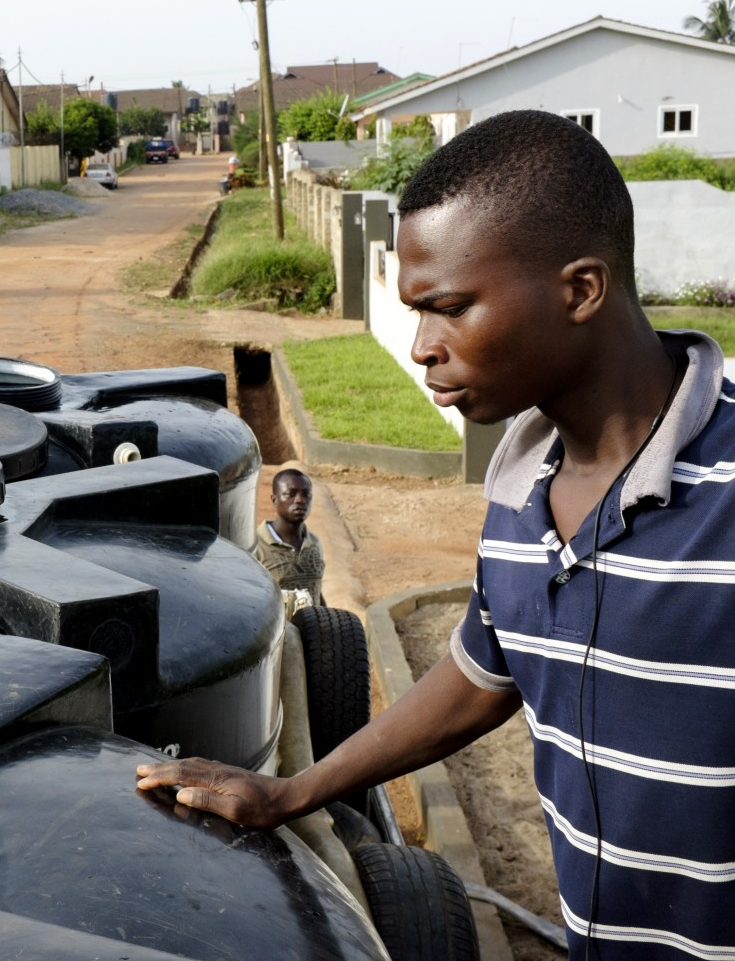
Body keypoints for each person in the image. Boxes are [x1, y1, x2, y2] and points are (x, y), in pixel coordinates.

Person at [137, 109, 734, 959]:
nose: (422, 346)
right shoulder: (524, 487)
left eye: (449, 308)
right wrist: (289, 791)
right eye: (417, 311)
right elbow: (482, 673)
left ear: (580, 290)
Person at [253, 468, 324, 613]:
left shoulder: (314, 543)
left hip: (312, 632)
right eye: (290, 494)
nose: (299, 500)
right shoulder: (255, 546)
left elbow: (317, 591)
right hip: (276, 634)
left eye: (306, 495)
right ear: (275, 500)